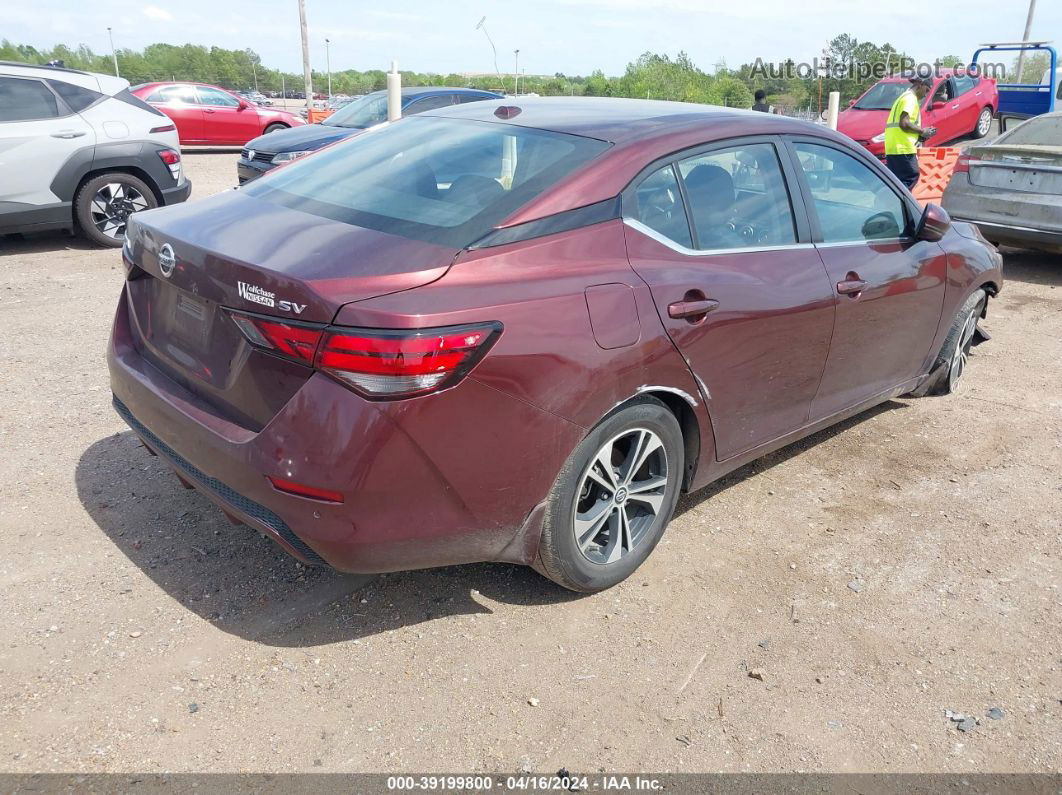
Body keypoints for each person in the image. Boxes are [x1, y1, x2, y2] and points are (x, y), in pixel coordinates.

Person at [883, 74, 938, 190]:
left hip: (894, 147)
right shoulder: (910, 99)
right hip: (903, 148)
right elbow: (904, 123)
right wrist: (923, 131)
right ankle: (897, 205)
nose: (926, 94)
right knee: (910, 177)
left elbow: (902, 125)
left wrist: (919, 135)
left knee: (896, 181)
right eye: (927, 90)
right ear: (920, 84)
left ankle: (889, 202)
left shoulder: (904, 97)